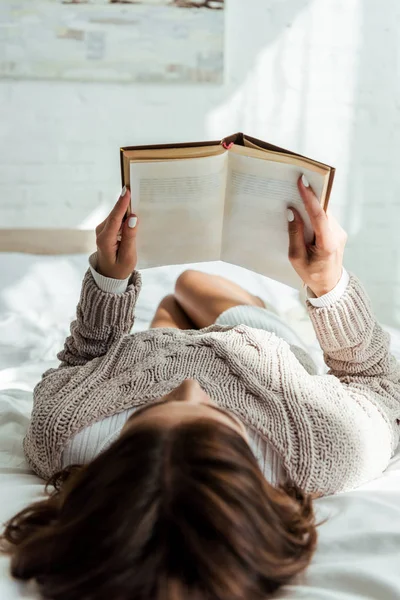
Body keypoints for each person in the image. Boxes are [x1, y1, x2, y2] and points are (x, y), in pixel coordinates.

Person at [2, 175, 400, 600]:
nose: (189, 386)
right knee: (191, 282)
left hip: (148, 356)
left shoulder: (62, 434)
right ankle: (230, 313)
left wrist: (109, 282)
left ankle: (169, 335)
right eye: (218, 414)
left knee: (175, 298)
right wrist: (328, 285)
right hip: (249, 347)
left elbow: (81, 365)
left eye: (150, 410)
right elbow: (379, 381)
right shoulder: (324, 449)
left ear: (109, 461)